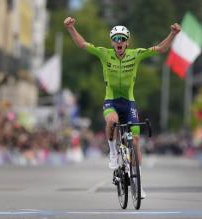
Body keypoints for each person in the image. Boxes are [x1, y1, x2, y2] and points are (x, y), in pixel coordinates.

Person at [64, 16, 181, 199]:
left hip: (129, 102)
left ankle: (137, 183)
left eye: (122, 39)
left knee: (134, 142)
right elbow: (82, 44)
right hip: (111, 100)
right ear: (112, 42)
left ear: (127, 42)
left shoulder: (136, 54)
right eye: (116, 39)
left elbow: (160, 49)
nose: (119, 42)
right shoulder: (104, 53)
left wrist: (173, 34)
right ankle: (112, 152)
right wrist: (71, 28)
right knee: (112, 120)